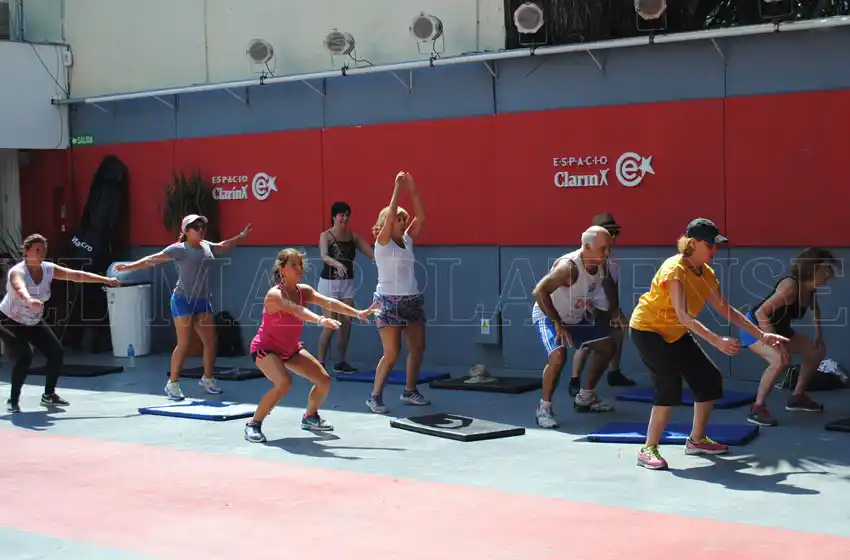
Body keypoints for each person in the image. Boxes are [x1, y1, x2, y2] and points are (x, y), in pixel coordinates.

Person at [629, 218, 788, 470]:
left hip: (676, 333)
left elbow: (726, 309)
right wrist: (716, 340)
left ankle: (697, 440)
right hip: (649, 331)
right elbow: (683, 315)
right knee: (668, 384)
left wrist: (762, 335)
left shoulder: (706, 273)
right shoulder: (674, 269)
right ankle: (648, 448)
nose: (714, 250)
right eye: (710, 245)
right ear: (693, 243)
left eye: (716, 245)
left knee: (709, 380)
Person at [244, 248, 379, 443]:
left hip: (291, 349)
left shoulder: (304, 291)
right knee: (284, 382)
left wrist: (358, 313)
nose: (299, 268)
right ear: (282, 269)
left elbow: (329, 302)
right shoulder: (274, 295)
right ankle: (253, 424)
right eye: (293, 265)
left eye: (300, 264)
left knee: (323, 380)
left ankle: (310, 416)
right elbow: (296, 310)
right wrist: (321, 320)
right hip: (265, 349)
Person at [114, 214, 251, 400]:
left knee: (211, 342)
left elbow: (223, 246)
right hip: (182, 300)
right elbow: (153, 259)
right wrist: (129, 267)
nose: (201, 230)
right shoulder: (178, 249)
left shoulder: (206, 245)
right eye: (196, 227)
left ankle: (207, 379)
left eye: (202, 227)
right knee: (184, 344)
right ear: (186, 231)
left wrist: (240, 236)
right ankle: (172, 384)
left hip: (202, 300)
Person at [0, 233, 120, 413]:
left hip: (33, 320)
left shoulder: (48, 269)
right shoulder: (18, 271)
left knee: (56, 353)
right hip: (10, 321)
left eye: (44, 250)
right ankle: (13, 400)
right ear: (26, 251)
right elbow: (19, 287)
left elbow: (75, 275)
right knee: (24, 357)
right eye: (37, 250)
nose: (41, 254)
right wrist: (29, 299)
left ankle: (49, 395)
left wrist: (105, 280)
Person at [531, 226, 618, 429]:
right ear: (586, 247)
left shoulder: (601, 264)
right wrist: (557, 323)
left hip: (576, 317)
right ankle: (544, 408)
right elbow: (539, 291)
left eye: (609, 248)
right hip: (549, 315)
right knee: (558, 356)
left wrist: (615, 312)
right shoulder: (568, 268)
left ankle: (585, 397)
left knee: (607, 347)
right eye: (603, 249)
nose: (607, 253)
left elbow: (609, 285)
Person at [740, 247, 837, 426]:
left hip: (779, 329)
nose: (829, 274)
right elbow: (761, 313)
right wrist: (777, 345)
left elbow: (814, 308)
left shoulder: (809, 289)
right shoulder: (791, 287)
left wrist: (819, 334)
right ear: (812, 269)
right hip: (755, 327)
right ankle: (757, 408)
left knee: (816, 351)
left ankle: (797, 397)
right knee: (780, 360)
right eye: (825, 270)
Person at [366, 171, 429, 414]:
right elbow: (390, 214)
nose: (403, 222)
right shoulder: (382, 244)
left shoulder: (407, 240)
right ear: (388, 222)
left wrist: (412, 190)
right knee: (391, 354)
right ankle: (374, 396)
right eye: (399, 219)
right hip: (388, 303)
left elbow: (421, 217)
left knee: (418, 347)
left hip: (412, 301)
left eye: (404, 219)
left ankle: (410, 390)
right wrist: (397, 189)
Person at [570, 213, 636, 396]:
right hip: (590, 305)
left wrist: (616, 311)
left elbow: (612, 285)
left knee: (616, 334)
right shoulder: (587, 257)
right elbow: (581, 283)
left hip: (605, 305)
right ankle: (575, 380)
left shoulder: (611, 259)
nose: (613, 237)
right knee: (587, 343)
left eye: (615, 233)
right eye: (609, 232)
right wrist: (587, 306)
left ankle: (614, 373)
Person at [316, 201, 375, 374]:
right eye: (341, 215)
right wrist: (337, 264)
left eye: (347, 215)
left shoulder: (353, 237)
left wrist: (384, 258)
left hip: (347, 283)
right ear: (334, 217)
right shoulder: (326, 236)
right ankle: (320, 362)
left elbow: (372, 254)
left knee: (346, 324)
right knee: (331, 324)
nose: (345, 218)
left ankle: (341, 361)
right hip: (329, 283)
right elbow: (324, 256)